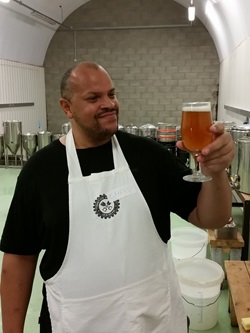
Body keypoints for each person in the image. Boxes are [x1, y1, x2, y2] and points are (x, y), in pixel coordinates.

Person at [0, 61, 234, 333]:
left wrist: (216, 172)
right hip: (77, 322)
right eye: (93, 98)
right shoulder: (40, 172)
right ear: (67, 108)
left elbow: (212, 217)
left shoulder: (149, 156)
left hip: (153, 319)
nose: (109, 103)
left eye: (111, 94)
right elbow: (19, 259)